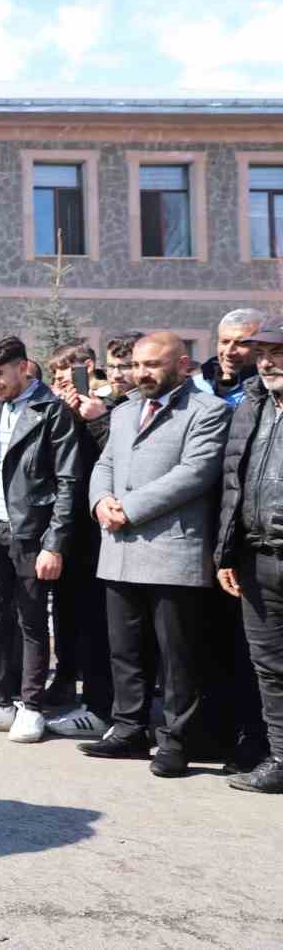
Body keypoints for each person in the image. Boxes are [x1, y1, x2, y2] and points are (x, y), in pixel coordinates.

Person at [79, 332, 230, 777]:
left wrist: (130, 508)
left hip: (172, 551)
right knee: (124, 650)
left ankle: (176, 740)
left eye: (153, 365)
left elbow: (195, 473)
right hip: (120, 549)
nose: (141, 373)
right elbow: (104, 464)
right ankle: (127, 729)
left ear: (182, 365)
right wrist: (100, 502)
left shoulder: (208, 411)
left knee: (176, 655)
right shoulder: (124, 412)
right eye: (137, 364)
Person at [0, 337, 82, 744]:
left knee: (30, 620)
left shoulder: (51, 411)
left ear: (24, 368)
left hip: (32, 532)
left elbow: (68, 481)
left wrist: (54, 543)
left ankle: (31, 706)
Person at [215, 316, 283, 793]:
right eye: (263, 353)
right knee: (269, 666)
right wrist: (225, 552)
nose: (267, 362)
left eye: (278, 353)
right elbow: (233, 483)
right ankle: (280, 759)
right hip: (256, 558)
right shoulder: (253, 405)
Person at [40, 343, 115, 739]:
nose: (60, 385)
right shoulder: (60, 413)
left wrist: (92, 418)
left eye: (66, 377)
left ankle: (101, 703)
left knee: (96, 620)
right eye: (54, 379)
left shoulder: (110, 408)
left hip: (100, 532)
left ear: (88, 370)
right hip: (67, 530)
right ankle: (65, 676)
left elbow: (115, 460)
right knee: (65, 612)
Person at [198, 308, 264, 408]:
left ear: (262, 346)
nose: (229, 352)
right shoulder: (196, 385)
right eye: (225, 342)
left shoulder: (270, 389)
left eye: (241, 343)